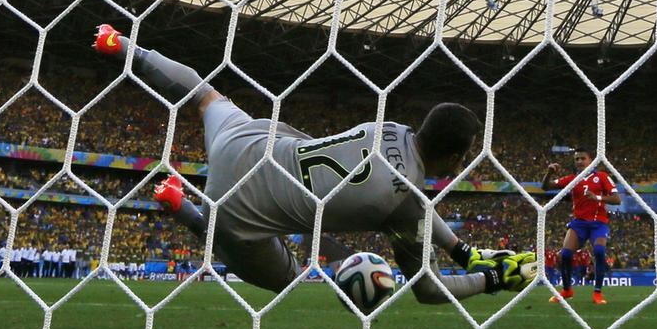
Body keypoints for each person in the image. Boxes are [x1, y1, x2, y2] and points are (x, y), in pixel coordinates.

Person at [93, 24, 536, 304]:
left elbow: (421, 209)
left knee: (206, 94)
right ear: (457, 158)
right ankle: (184, 209)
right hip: (235, 210)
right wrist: (493, 279)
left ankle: (123, 44)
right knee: (286, 278)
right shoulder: (402, 204)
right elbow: (427, 288)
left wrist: (464, 251)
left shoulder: (392, 128)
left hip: (248, 142)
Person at [542, 148, 621, 304]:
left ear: (590, 160)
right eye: (576, 159)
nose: (579, 161)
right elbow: (546, 187)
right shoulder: (573, 179)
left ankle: (597, 293)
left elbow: (617, 199)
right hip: (579, 224)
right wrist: (549, 172)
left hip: (598, 223)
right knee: (565, 255)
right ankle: (567, 290)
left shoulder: (602, 177)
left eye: (582, 158)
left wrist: (596, 197)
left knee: (599, 251)